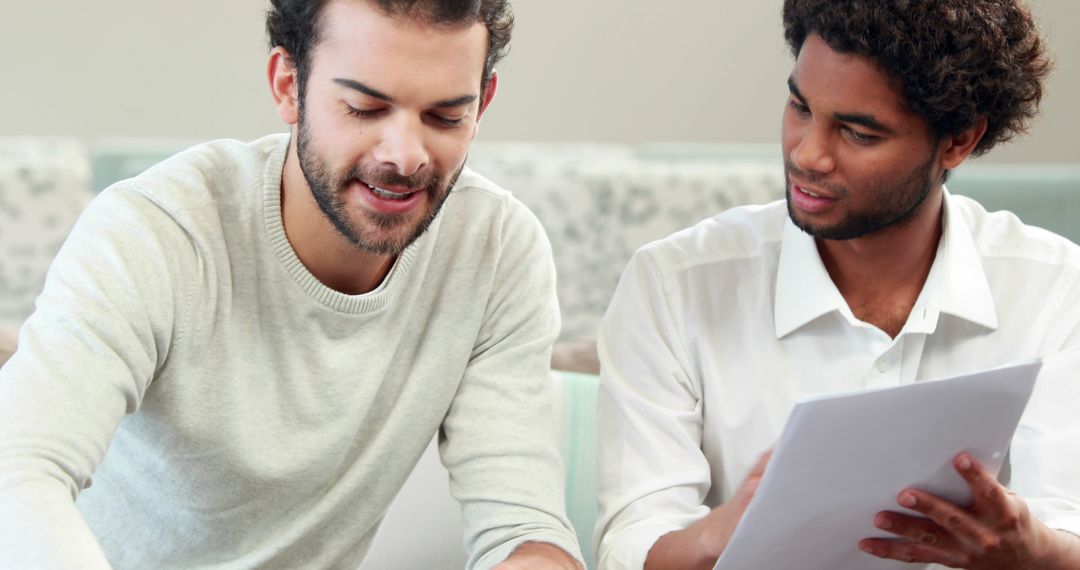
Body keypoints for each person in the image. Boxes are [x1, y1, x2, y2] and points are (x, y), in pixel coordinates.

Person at [0, 1, 584, 568]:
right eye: (363, 107)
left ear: (482, 104)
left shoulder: (495, 249)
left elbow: (523, 528)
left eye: (445, 116)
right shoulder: (157, 230)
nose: (405, 157)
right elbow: (18, 469)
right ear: (288, 84)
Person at [594, 0, 1080, 568]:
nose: (808, 154)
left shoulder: (1057, 290)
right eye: (800, 107)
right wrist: (724, 530)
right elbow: (630, 544)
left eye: (857, 132)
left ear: (958, 141)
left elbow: (1066, 521)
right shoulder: (675, 285)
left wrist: (1031, 550)